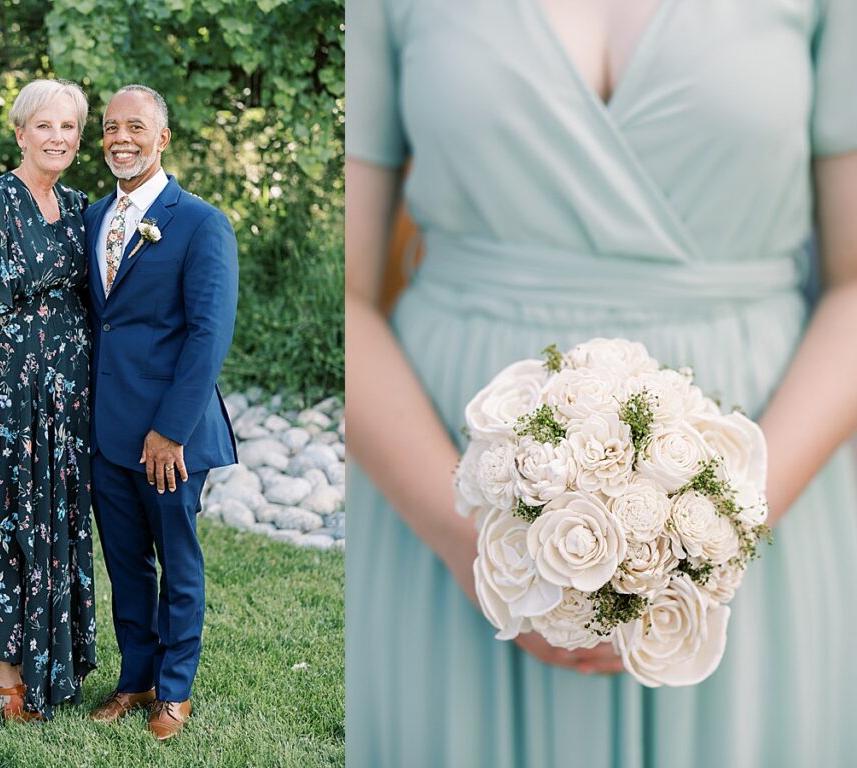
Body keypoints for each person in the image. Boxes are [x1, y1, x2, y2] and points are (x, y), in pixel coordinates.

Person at [346, 1, 857, 766]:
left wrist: (720, 533)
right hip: (443, 484)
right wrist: (479, 547)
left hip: (773, 474)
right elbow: (345, 297)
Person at [82, 84, 238, 741]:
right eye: (112, 127)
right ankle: (136, 678)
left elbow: (208, 335)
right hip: (106, 431)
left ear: (163, 138)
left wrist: (171, 430)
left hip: (169, 437)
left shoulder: (201, 222)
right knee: (125, 568)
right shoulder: (93, 217)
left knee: (178, 565)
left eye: (136, 127)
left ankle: (174, 693)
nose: (121, 137)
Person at [0, 78, 97, 721]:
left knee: (59, 522)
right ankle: (10, 676)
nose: (57, 137)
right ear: (20, 132)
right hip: (6, 392)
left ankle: (53, 664)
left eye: (68, 128)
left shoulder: (81, 204)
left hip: (70, 396)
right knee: (8, 521)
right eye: (44, 126)